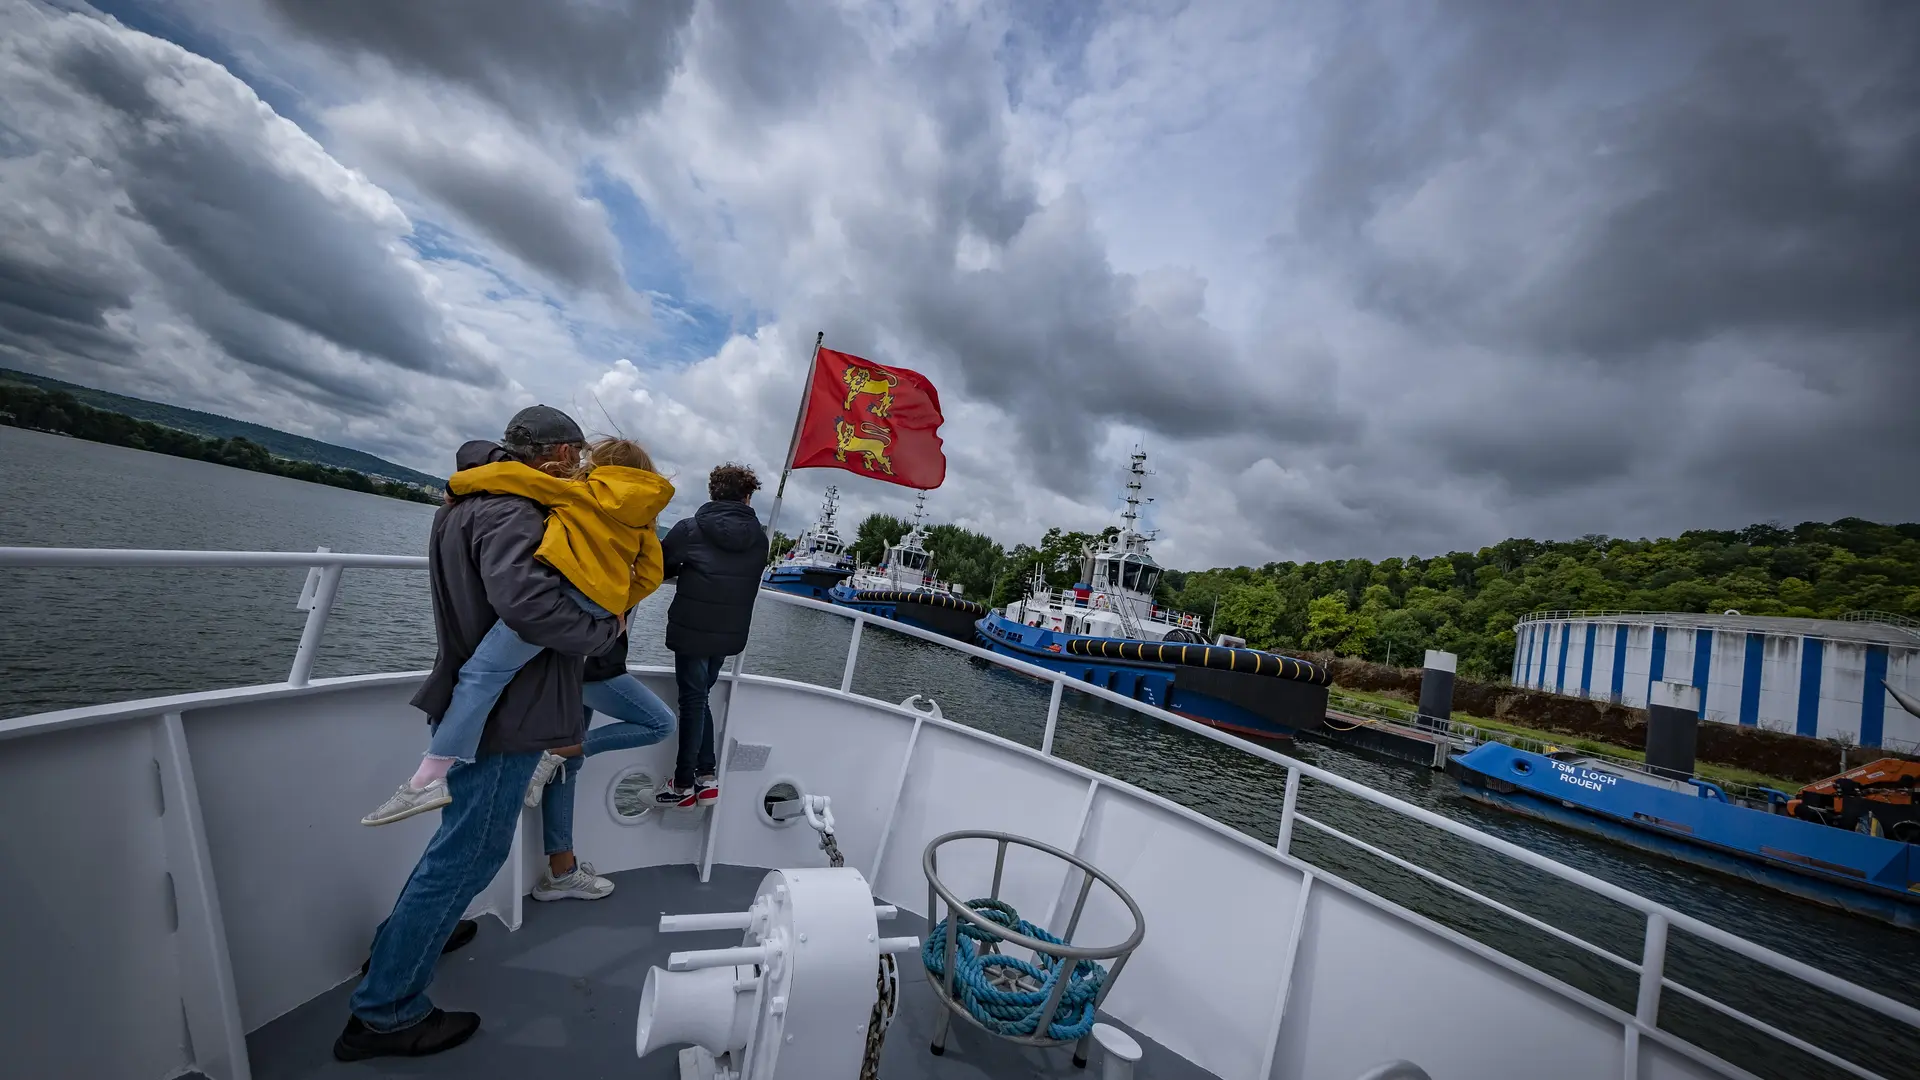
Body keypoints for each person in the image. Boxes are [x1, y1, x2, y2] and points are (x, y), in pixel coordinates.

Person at [336, 406, 624, 1062]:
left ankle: (401, 943)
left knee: (454, 845)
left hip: (481, 703)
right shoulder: (514, 512)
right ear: (554, 455)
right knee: (467, 855)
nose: (579, 468)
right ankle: (385, 1012)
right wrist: (605, 631)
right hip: (506, 718)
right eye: (575, 457)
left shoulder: (465, 501)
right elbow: (525, 606)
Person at [358, 436, 675, 832]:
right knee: (506, 670)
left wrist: (457, 486)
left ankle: (429, 777)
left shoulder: (578, 491)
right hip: (601, 602)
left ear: (602, 466)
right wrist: (618, 604)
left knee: (481, 676)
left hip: (565, 591)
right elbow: (651, 574)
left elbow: (511, 477)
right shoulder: (643, 517)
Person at [653, 463, 771, 809]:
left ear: (713, 492)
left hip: (692, 628)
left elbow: (661, 567)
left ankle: (684, 784)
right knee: (700, 697)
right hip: (728, 632)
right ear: (748, 496)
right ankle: (707, 777)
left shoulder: (690, 529)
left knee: (692, 701)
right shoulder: (759, 539)